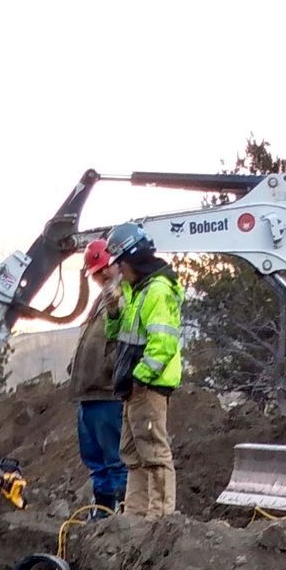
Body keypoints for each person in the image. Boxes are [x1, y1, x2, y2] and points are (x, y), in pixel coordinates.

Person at [107, 221, 184, 520]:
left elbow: (162, 343)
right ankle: (136, 516)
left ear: (133, 259)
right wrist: (113, 311)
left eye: (121, 264)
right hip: (133, 386)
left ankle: (160, 519)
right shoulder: (136, 292)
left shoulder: (157, 291)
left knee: (154, 453)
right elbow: (119, 335)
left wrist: (141, 377)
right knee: (133, 454)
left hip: (147, 386)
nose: (118, 271)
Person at [68, 239, 126, 509]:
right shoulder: (102, 300)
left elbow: (124, 342)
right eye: (97, 271)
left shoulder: (124, 298)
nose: (102, 275)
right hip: (88, 393)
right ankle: (103, 514)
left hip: (108, 392)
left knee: (115, 461)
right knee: (96, 462)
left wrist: (110, 368)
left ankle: (125, 517)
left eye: (105, 268)